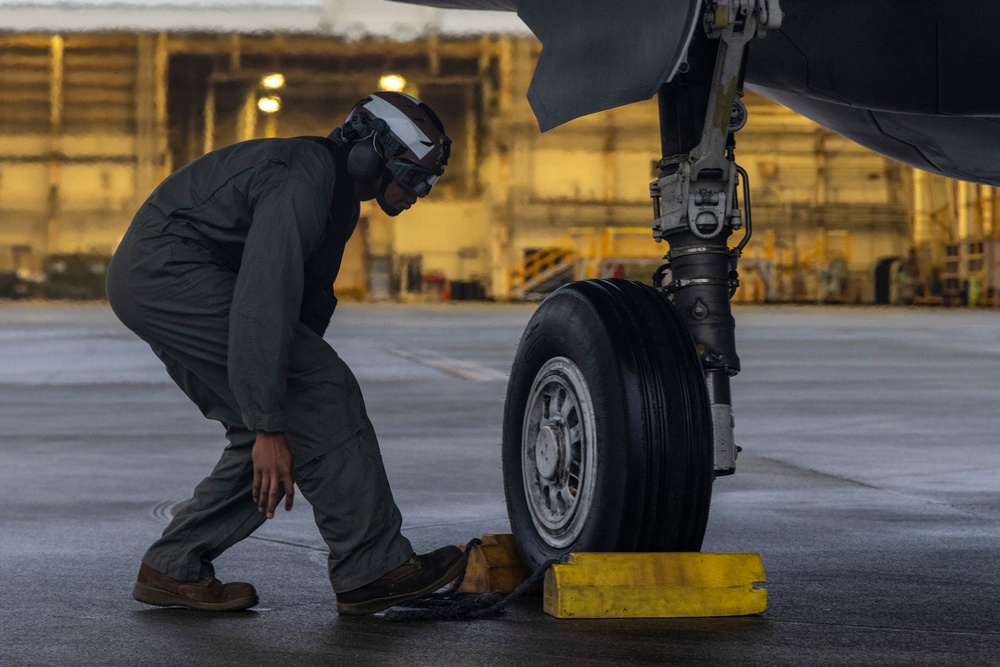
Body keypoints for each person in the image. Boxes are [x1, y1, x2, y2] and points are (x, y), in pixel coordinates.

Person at [106, 91, 467, 615]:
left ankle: (173, 566)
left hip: (156, 280)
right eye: (413, 177)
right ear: (369, 153)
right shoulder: (304, 176)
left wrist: (276, 419)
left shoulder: (336, 196)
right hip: (169, 275)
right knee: (320, 392)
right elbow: (266, 299)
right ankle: (373, 568)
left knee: (285, 419)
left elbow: (304, 305)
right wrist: (277, 416)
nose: (419, 194)